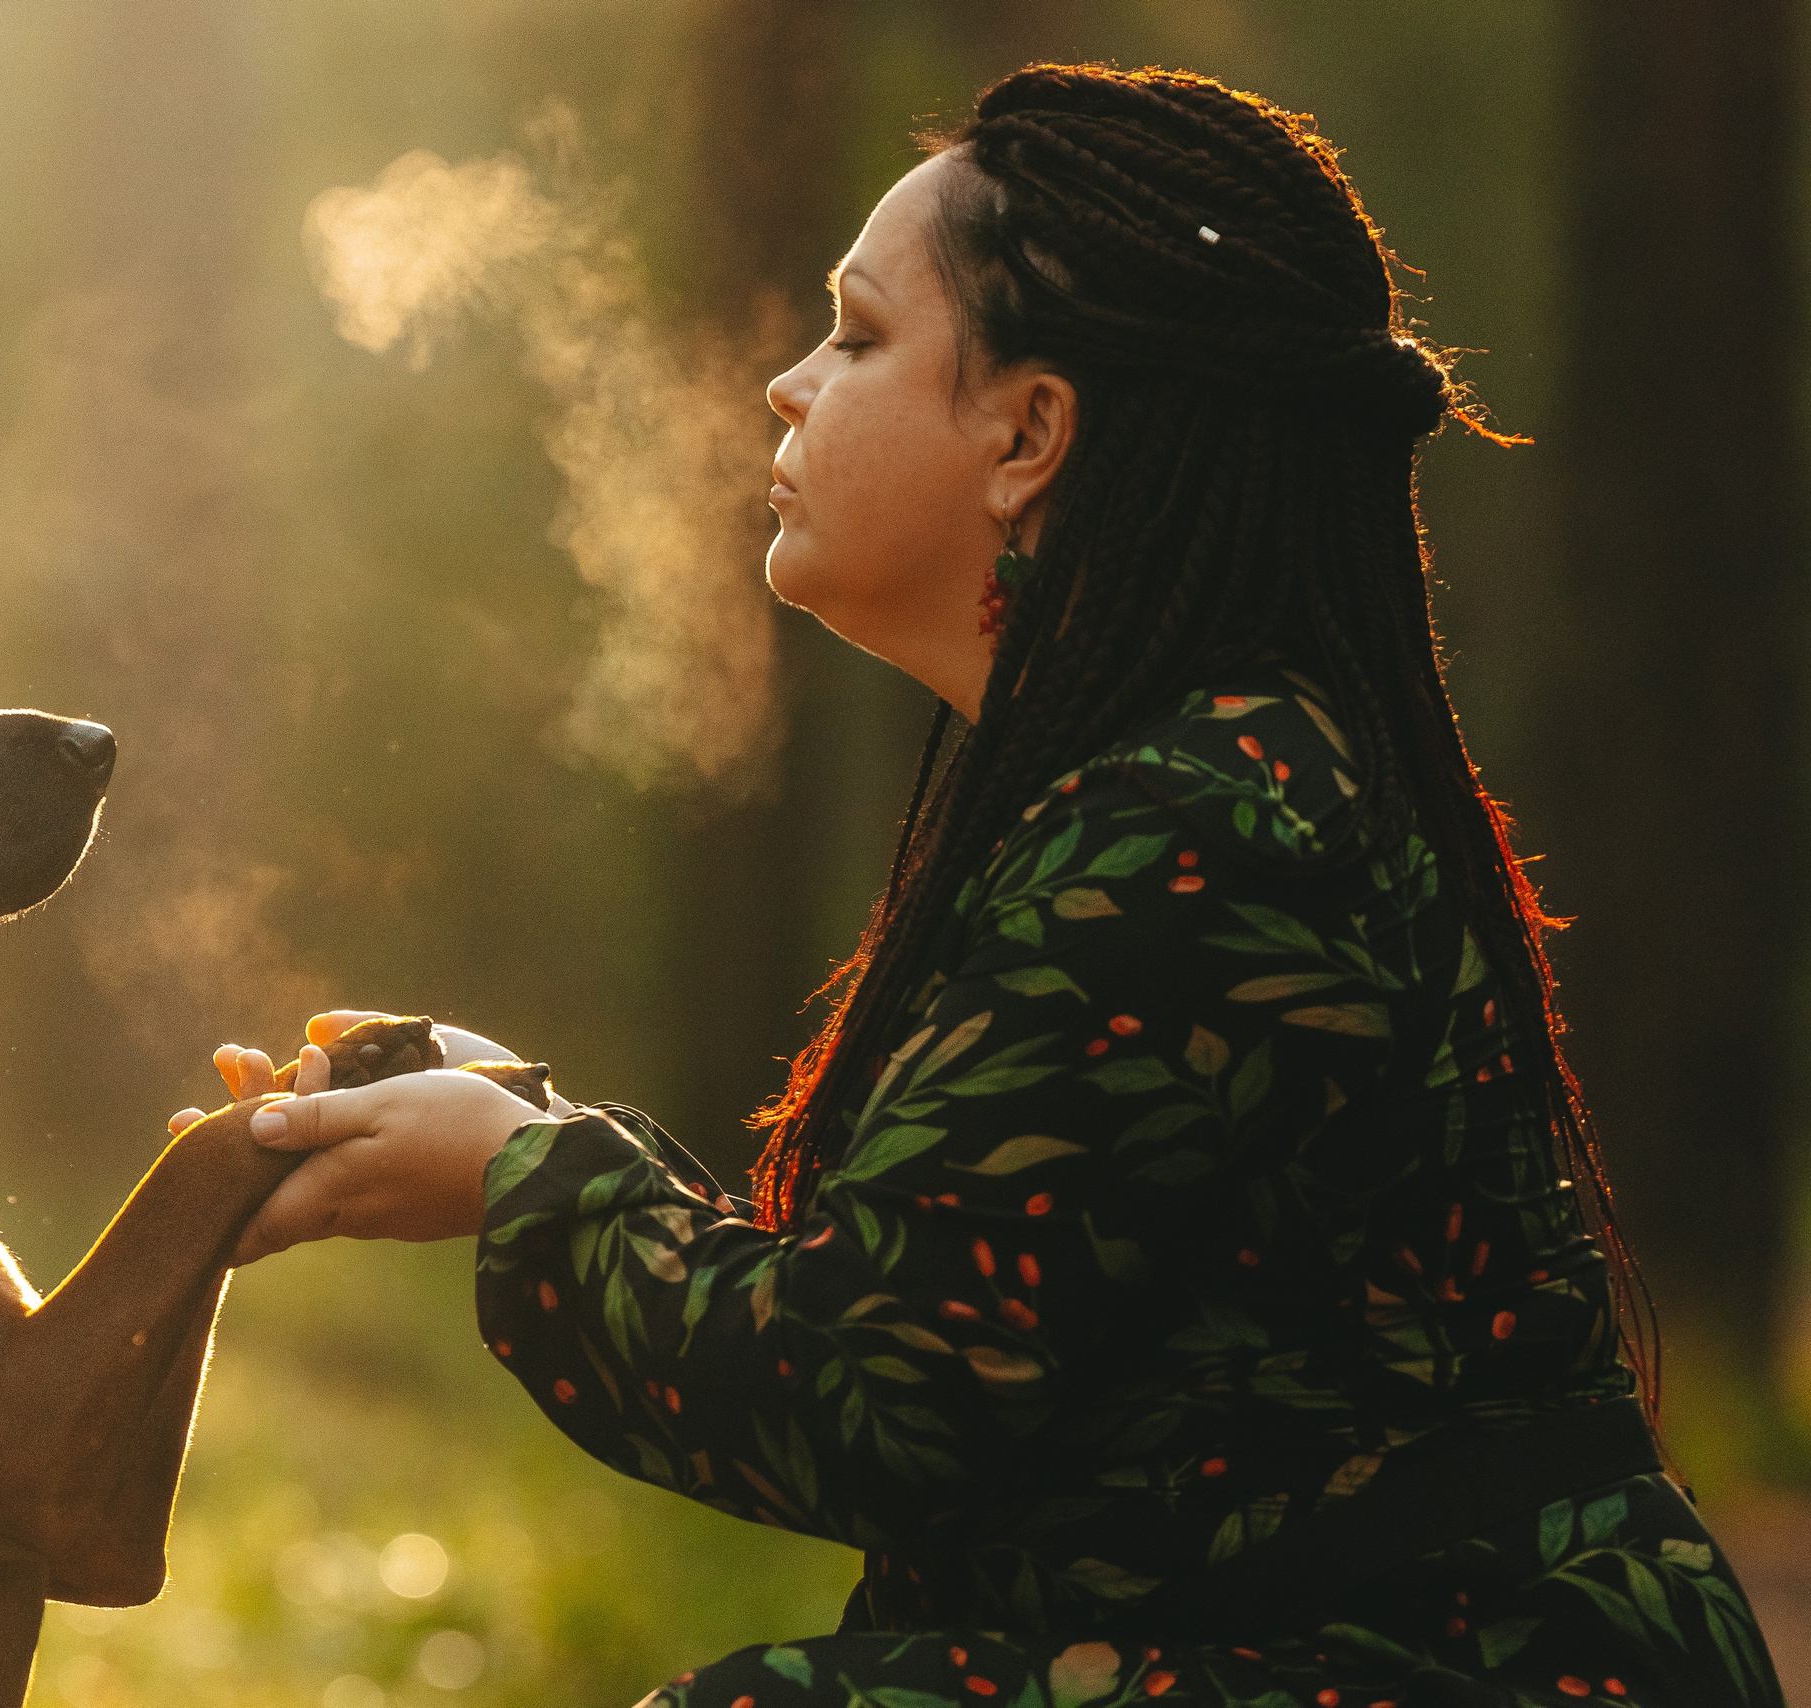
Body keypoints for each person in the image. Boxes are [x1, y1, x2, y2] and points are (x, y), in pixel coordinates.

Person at [172, 64, 1783, 1708]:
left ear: (1029, 435)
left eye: (859, 336)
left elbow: (865, 1402)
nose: (789, 388)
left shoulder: (1200, 826)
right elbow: (919, 1314)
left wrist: (522, 1177)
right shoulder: (1187, 782)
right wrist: (517, 1131)